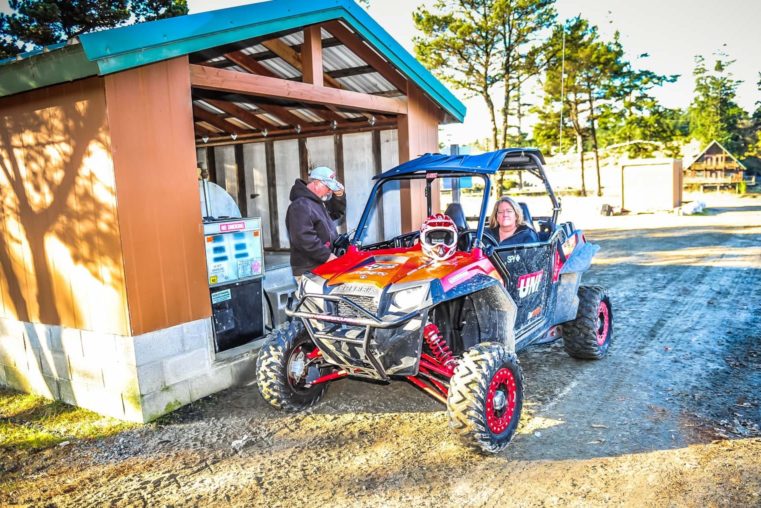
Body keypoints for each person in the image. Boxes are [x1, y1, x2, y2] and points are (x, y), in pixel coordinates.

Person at [286, 166, 346, 278]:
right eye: (328, 187)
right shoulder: (300, 205)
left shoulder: (315, 202)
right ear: (317, 183)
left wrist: (339, 196)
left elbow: (335, 213)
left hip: (320, 265)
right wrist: (327, 256)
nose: (330, 191)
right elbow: (303, 238)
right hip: (310, 269)